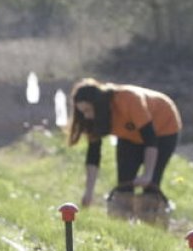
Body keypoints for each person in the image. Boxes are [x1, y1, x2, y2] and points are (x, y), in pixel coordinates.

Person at [66, 78, 182, 208]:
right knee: (124, 185)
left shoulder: (129, 99)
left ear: (99, 104)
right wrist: (89, 192)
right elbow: (93, 155)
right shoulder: (93, 120)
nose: (86, 116)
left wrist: (147, 174)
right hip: (130, 137)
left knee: (151, 185)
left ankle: (152, 218)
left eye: (88, 110)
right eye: (83, 112)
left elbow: (150, 138)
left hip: (163, 130)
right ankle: (125, 220)